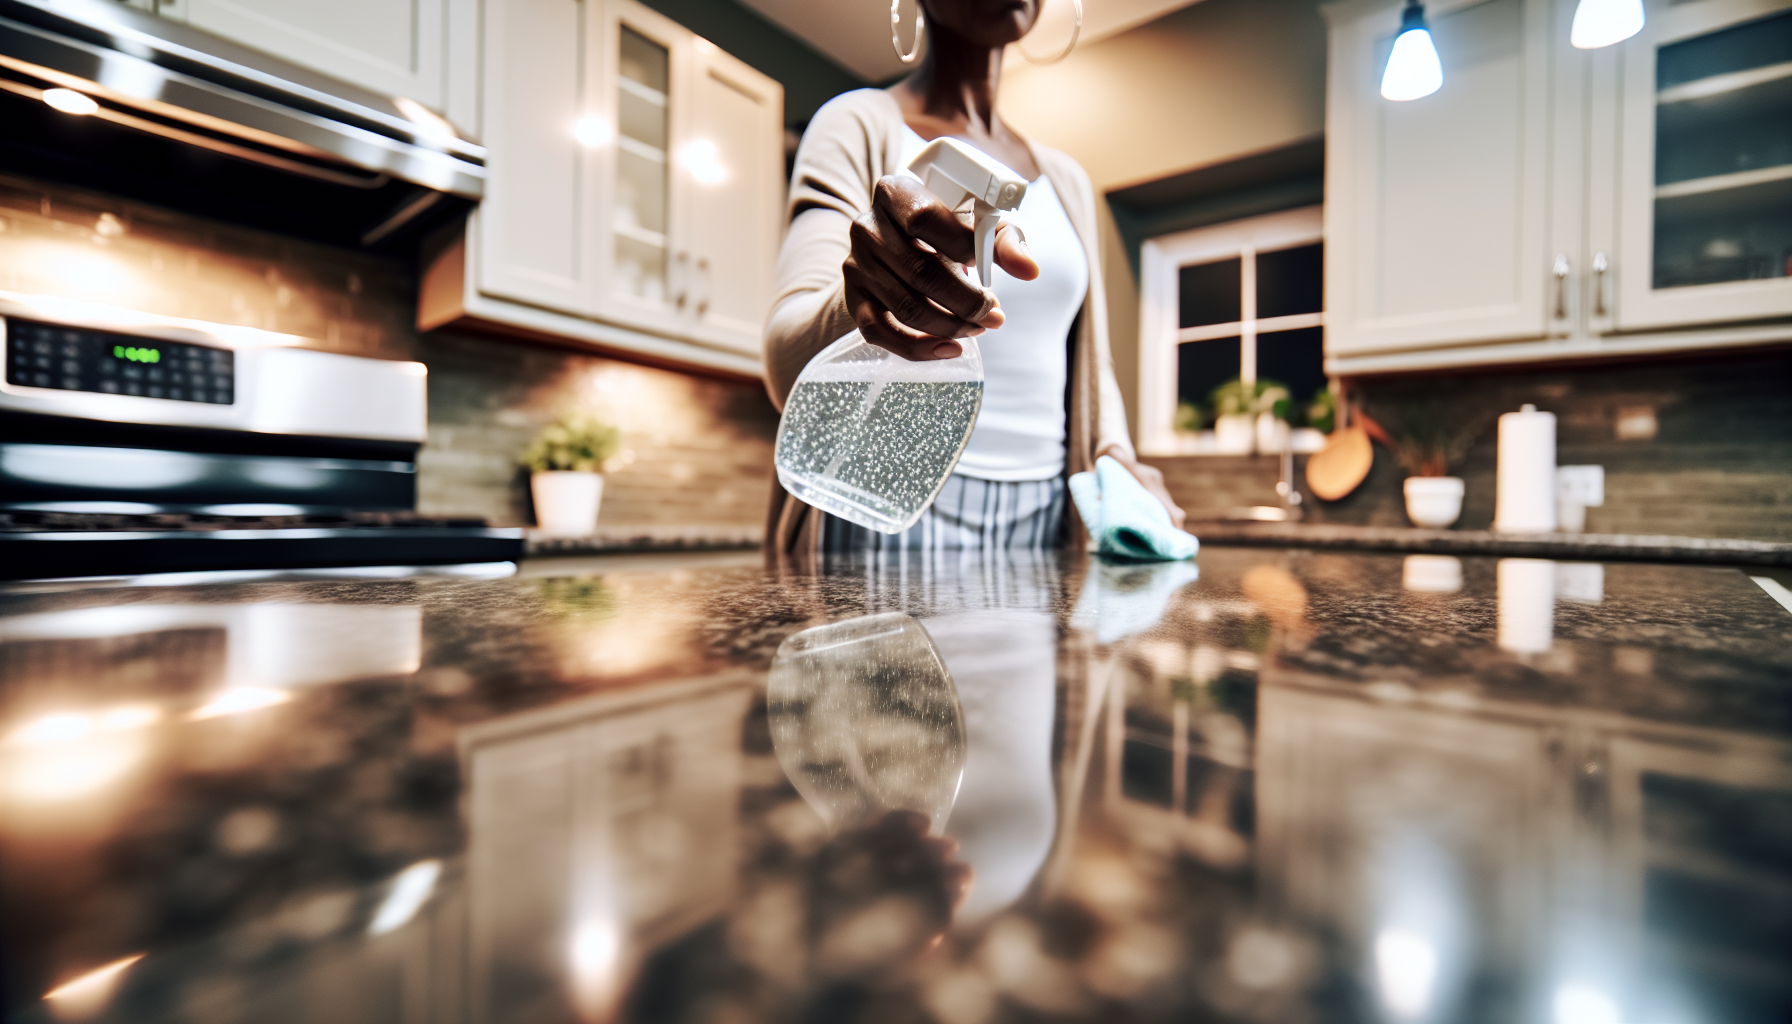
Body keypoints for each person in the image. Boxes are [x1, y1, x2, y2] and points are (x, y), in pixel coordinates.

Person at [763, 0, 1184, 559]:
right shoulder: (859, 123)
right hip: (887, 504)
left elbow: (1090, 358)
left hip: (1046, 516)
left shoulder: (1069, 181)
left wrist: (1117, 453)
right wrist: (864, 296)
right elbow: (784, 365)